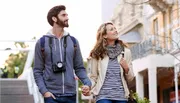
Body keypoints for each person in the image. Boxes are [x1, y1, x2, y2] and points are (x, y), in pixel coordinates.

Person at [33, 5, 91, 103]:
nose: (67, 18)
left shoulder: (73, 41)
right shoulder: (41, 42)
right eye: (63, 15)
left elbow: (79, 68)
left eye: (67, 15)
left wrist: (87, 83)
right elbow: (37, 71)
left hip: (70, 95)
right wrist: (44, 92)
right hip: (51, 96)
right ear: (54, 19)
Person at [88, 22, 134, 103]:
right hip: (103, 96)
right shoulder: (97, 53)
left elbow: (130, 79)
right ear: (105, 35)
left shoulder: (125, 52)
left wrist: (126, 69)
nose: (115, 31)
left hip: (121, 97)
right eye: (112, 29)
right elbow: (93, 77)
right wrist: (88, 87)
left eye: (115, 28)